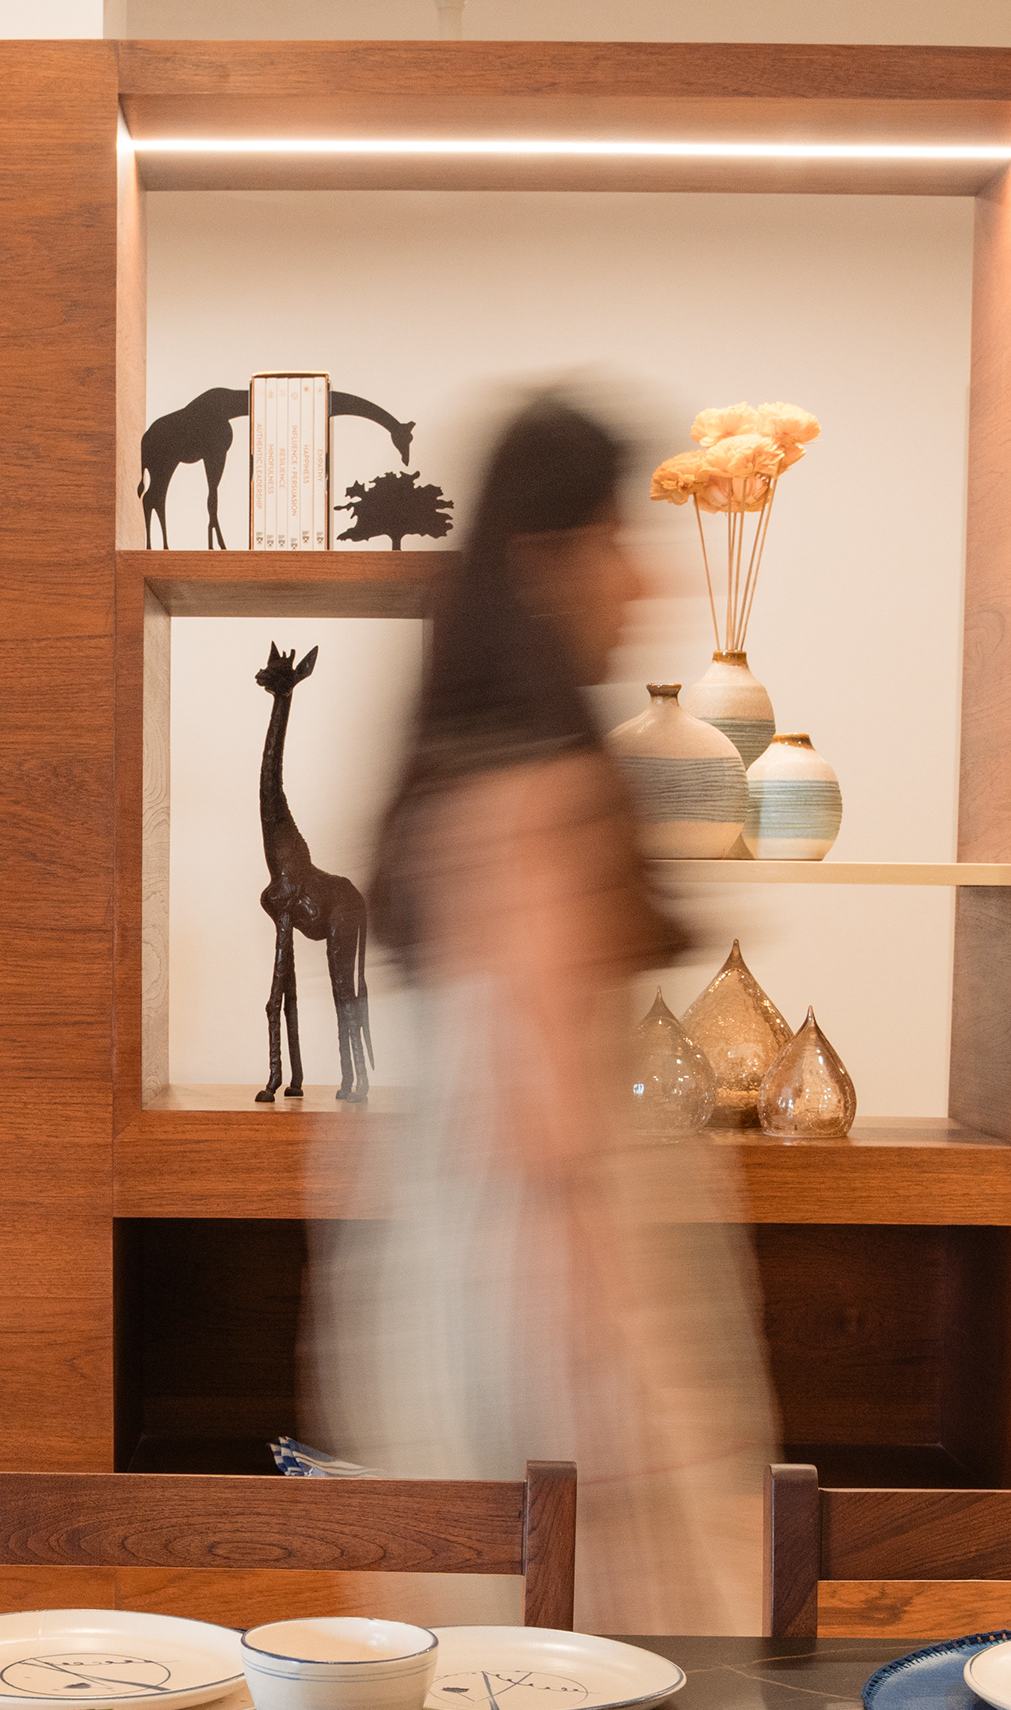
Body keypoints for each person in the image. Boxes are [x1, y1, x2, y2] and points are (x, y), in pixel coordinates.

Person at [313, 394, 777, 1636]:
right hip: (550, 1285)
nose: (642, 577)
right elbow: (547, 1127)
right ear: (546, 560)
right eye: (616, 537)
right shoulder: (544, 792)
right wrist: (617, 1373)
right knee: (603, 1653)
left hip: (447, 1273)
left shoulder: (457, 771)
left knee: (481, 1659)